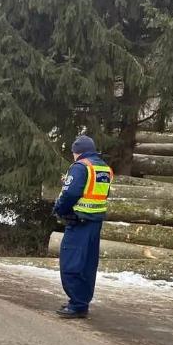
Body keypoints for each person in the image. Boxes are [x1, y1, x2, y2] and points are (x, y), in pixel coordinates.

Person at [53, 135, 113, 318]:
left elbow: (70, 194)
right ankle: (82, 303)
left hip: (78, 221)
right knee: (88, 264)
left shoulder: (81, 167)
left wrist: (59, 209)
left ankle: (76, 305)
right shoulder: (103, 168)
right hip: (95, 222)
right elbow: (101, 193)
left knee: (71, 263)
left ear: (76, 152)